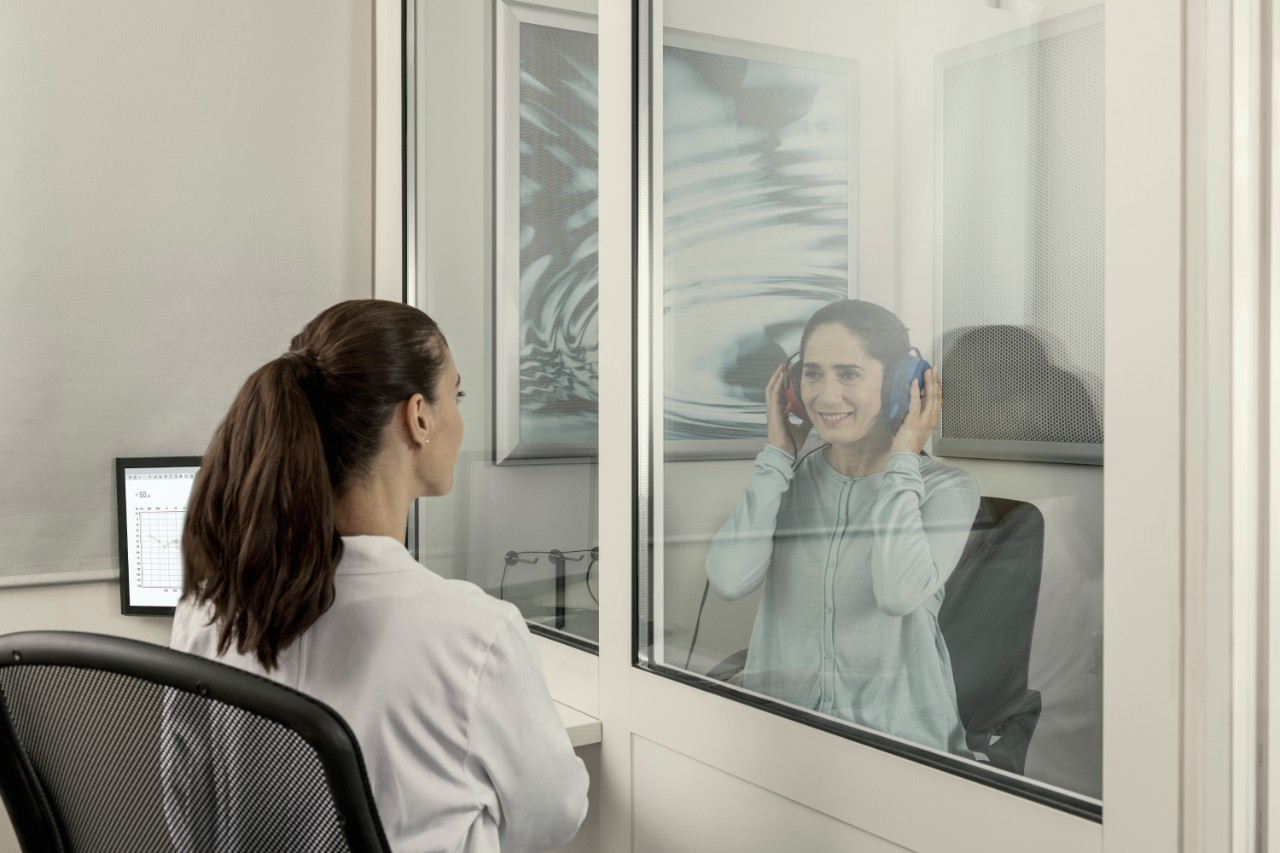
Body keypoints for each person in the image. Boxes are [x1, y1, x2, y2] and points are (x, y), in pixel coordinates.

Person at [170, 299, 588, 852]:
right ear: (418, 417)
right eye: (455, 396)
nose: (459, 420)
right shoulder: (476, 635)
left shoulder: (208, 614)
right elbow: (552, 820)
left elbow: (190, 823)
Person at [705, 299, 980, 755]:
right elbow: (730, 580)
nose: (826, 397)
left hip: (899, 747)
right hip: (785, 736)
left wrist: (905, 455)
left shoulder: (946, 488)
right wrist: (775, 459)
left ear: (899, 385)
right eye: (812, 374)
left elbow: (897, 594)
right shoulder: (787, 480)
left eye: (849, 374)